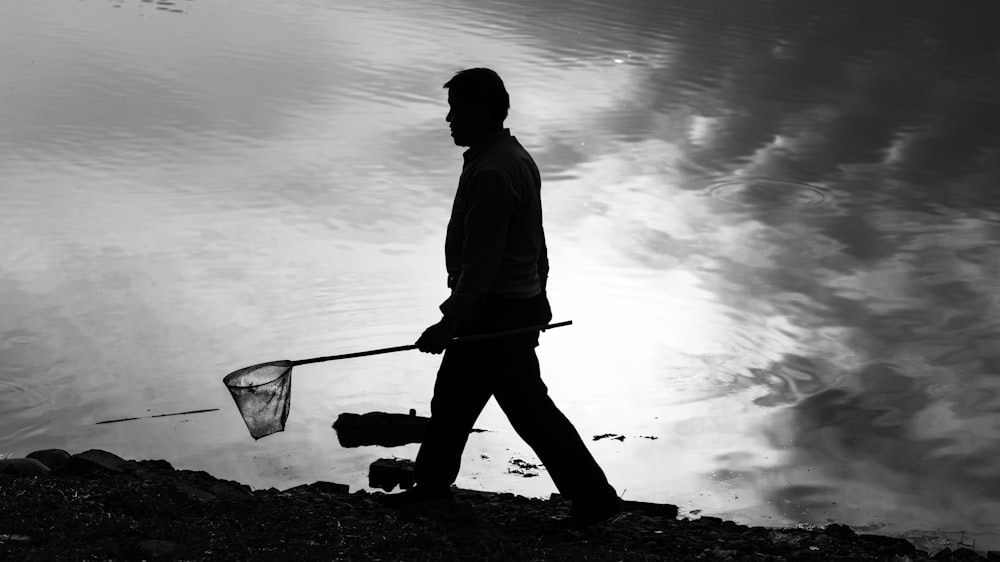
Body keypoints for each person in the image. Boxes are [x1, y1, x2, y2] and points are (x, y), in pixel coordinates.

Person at [380, 68, 621, 526]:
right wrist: (542, 293)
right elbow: (536, 239)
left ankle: (594, 499)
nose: (449, 120)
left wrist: (449, 322)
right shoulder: (512, 157)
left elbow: (482, 265)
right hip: (514, 305)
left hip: (494, 312)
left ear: (482, 111)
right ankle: (432, 486)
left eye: (457, 110)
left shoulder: (493, 170)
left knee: (520, 409)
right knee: (462, 400)